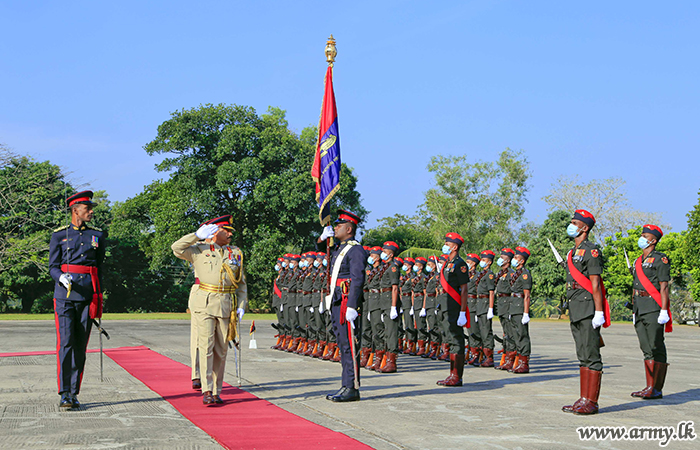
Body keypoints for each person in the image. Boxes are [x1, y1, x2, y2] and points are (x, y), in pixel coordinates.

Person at [172, 215, 247, 405]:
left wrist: (241, 306)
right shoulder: (199, 250)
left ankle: (216, 390)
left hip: (225, 303)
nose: (230, 234)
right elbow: (176, 248)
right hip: (204, 302)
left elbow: (241, 283)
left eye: (231, 231)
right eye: (226, 230)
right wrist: (196, 236)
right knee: (205, 345)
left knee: (221, 350)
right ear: (215, 232)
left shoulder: (235, 253)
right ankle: (205, 389)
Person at [49, 190, 106, 408]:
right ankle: (64, 392)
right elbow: (52, 266)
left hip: (87, 296)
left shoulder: (98, 236)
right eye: (87, 209)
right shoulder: (59, 236)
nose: (91, 212)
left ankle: (74, 392)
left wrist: (98, 297)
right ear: (75, 211)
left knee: (81, 345)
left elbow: (98, 268)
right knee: (66, 343)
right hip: (64, 296)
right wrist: (60, 277)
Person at [561, 209, 607, 415]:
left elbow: (596, 284)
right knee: (582, 354)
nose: (571, 225)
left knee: (591, 354)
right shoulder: (572, 252)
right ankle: (583, 398)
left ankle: (592, 401)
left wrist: (599, 311)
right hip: (575, 306)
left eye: (574, 223)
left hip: (588, 307)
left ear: (584, 228)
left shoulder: (592, 251)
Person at [318, 210, 367, 402]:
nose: (335, 228)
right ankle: (346, 384)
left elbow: (357, 279)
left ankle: (352, 386)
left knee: (350, 346)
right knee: (343, 344)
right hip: (337, 301)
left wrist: (353, 306)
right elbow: (325, 251)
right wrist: (322, 238)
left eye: (339, 225)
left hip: (347, 303)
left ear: (349, 229)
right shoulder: (340, 248)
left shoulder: (355, 250)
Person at [630, 224, 671, 400]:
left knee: (656, 345)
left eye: (645, 236)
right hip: (639, 307)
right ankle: (649, 386)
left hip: (653, 306)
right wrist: (633, 309)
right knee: (645, 347)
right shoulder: (638, 261)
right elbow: (634, 287)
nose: (642, 238)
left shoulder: (660, 259)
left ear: (653, 240)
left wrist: (664, 310)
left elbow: (664, 287)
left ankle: (657, 388)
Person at [437, 233, 470, 387]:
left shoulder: (460, 264)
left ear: (455, 247)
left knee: (457, 339)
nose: (445, 245)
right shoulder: (447, 264)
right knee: (450, 338)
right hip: (445, 305)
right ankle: (451, 374)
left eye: (447, 243)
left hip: (455, 306)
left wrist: (463, 312)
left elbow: (464, 290)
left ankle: (457, 376)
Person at [377, 241, 401, 373]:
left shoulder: (393, 267)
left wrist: (393, 307)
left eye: (385, 251)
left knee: (391, 332)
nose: (382, 253)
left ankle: (392, 362)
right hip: (384, 302)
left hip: (390, 303)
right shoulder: (385, 267)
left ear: (390, 254)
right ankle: (387, 360)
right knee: (386, 332)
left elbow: (395, 288)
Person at [509, 246, 532, 374]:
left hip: (520, 308)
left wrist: (526, 313)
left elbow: (527, 295)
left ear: (522, 261)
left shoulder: (524, 275)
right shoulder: (516, 274)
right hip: (513, 307)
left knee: (522, 335)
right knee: (516, 335)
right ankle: (518, 361)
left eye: (516, 257)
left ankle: (524, 363)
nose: (514, 259)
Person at [494, 248, 516, 370]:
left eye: (502, 257)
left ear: (508, 260)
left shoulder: (511, 274)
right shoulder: (501, 274)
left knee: (510, 333)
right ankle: (507, 357)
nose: (500, 259)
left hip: (508, 304)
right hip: (501, 304)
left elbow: (514, 291)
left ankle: (511, 358)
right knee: (505, 333)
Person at [475, 250, 496, 367]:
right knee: (481, 332)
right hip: (480, 304)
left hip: (485, 304)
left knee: (486, 332)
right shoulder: (481, 274)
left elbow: (491, 293)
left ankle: (489, 357)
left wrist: (490, 308)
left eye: (483, 260)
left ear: (489, 262)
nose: (481, 262)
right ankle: (483, 355)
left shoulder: (490, 275)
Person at [464, 253, 482, 366]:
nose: (467, 263)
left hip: (473, 304)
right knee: (469, 331)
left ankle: (477, 354)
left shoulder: (477, 276)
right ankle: (472, 352)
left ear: (474, 263)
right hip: (466, 304)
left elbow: (479, 292)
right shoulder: (466, 275)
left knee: (475, 331)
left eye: (468, 261)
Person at [423, 256, 441, 359]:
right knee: (430, 326)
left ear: (435, 266)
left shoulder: (436, 276)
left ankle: (436, 348)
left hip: (433, 302)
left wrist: (437, 305)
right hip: (429, 303)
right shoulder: (429, 277)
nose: (428, 266)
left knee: (434, 326)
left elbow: (437, 291)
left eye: (430, 264)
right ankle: (432, 347)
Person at [399, 258, 417, 355]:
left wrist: (413, 306)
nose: (404, 265)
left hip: (409, 301)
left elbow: (413, 292)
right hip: (404, 301)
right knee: (406, 323)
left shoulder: (412, 277)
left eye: (406, 264)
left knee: (409, 324)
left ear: (410, 266)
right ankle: (406, 343)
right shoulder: (405, 277)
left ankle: (411, 344)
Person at [412, 257, 429, 356]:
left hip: (421, 301)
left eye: (417, 264)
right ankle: (419, 346)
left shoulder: (423, 277)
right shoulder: (416, 277)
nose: (415, 266)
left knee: (421, 325)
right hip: (416, 303)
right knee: (417, 325)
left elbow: (425, 293)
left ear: (421, 267)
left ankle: (422, 347)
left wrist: (424, 307)